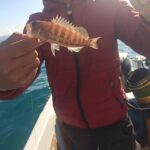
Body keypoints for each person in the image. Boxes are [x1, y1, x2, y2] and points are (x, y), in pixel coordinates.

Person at [0, 0, 150, 149]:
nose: (31, 27)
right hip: (72, 127)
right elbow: (21, 69)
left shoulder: (110, 5)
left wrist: (144, 5)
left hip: (115, 120)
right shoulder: (36, 22)